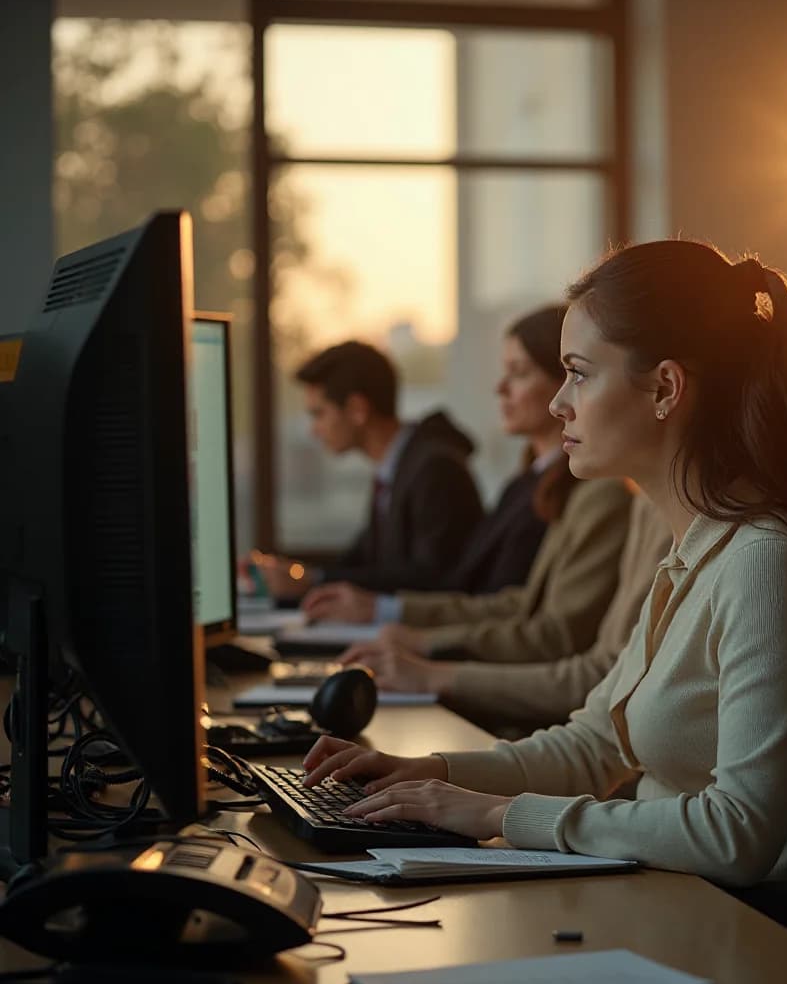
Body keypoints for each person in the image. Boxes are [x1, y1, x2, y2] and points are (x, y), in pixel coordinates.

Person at [301, 239, 787, 886]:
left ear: (666, 389)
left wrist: (501, 814)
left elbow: (738, 835)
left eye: (579, 373)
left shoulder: (765, 568)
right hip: (678, 910)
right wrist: (430, 771)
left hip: (768, 950)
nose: (560, 401)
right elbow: (593, 746)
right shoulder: (694, 551)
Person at [302, 305, 573, 626]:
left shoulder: (437, 469)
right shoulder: (524, 483)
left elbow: (466, 588)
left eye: (520, 372)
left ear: (565, 384)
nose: (500, 388)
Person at [338, 492, 671, 737]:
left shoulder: (612, 499)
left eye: (582, 390)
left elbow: (587, 668)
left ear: (663, 394)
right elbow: (525, 605)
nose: (560, 406)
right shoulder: (641, 502)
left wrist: (431, 668)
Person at [257, 340, 483, 598]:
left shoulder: (435, 470)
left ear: (356, 409)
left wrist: (313, 579)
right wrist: (297, 574)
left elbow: (432, 578)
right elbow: (362, 560)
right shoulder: (395, 469)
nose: (314, 430)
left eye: (319, 414)